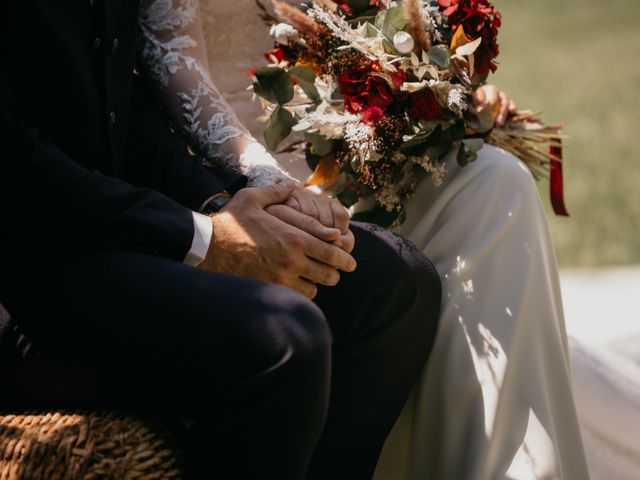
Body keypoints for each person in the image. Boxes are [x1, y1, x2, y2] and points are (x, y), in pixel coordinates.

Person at [0, 1, 442, 479]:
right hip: (24, 274)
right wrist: (204, 239)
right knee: (286, 339)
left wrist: (232, 205)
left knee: (396, 285)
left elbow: (122, 106)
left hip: (113, 232)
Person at [195, 0, 592, 478]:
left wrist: (444, 92)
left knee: (495, 180)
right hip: (229, 168)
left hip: (354, 144)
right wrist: (260, 180)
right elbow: (166, 71)